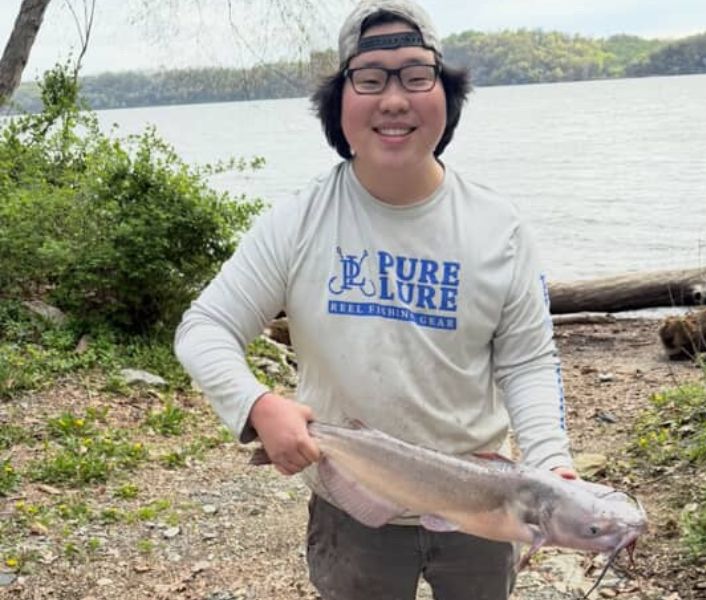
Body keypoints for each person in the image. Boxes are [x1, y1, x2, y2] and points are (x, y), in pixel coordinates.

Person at [175, 0, 576, 598]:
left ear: (447, 94)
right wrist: (259, 406)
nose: (394, 99)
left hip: (483, 506)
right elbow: (204, 327)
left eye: (417, 75)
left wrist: (549, 463)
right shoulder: (299, 221)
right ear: (340, 104)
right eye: (370, 79)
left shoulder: (500, 227)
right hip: (351, 504)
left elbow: (527, 362)